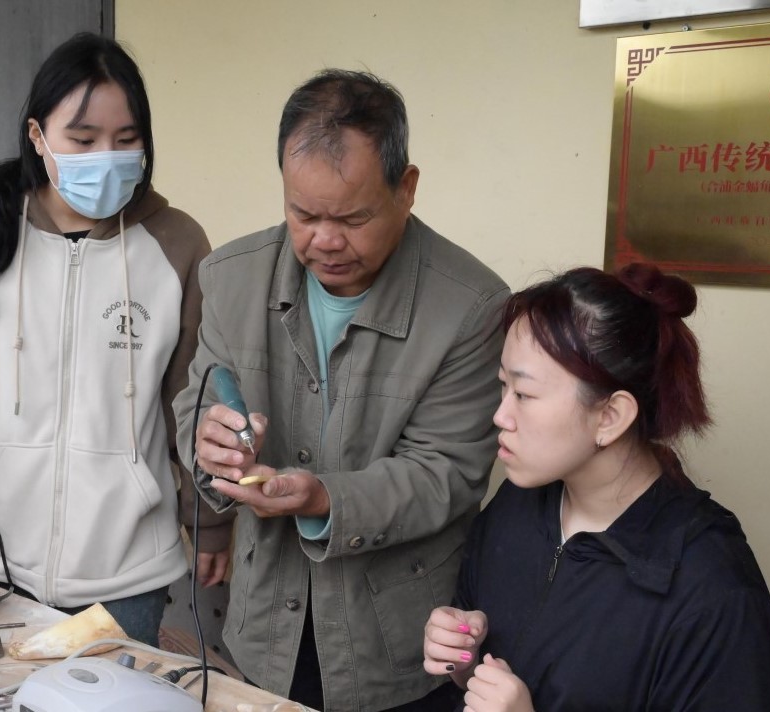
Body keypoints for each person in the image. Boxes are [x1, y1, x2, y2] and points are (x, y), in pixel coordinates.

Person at [0, 33, 220, 646]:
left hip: (126, 574)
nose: (106, 157)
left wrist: (211, 524)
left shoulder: (176, 244)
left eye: (126, 140)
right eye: (84, 139)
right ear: (38, 137)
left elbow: (192, 402)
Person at [174, 70, 509, 711]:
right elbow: (199, 401)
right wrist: (211, 444)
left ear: (406, 189)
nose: (325, 241)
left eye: (354, 218)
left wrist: (326, 497)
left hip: (396, 641)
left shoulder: (470, 305)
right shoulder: (230, 278)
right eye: (303, 214)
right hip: (264, 624)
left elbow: (448, 471)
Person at [422, 264, 770, 711]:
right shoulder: (518, 501)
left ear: (610, 417)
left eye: (524, 395)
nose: (501, 416)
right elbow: (482, 674)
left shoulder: (714, 591)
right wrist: (463, 657)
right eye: (503, 386)